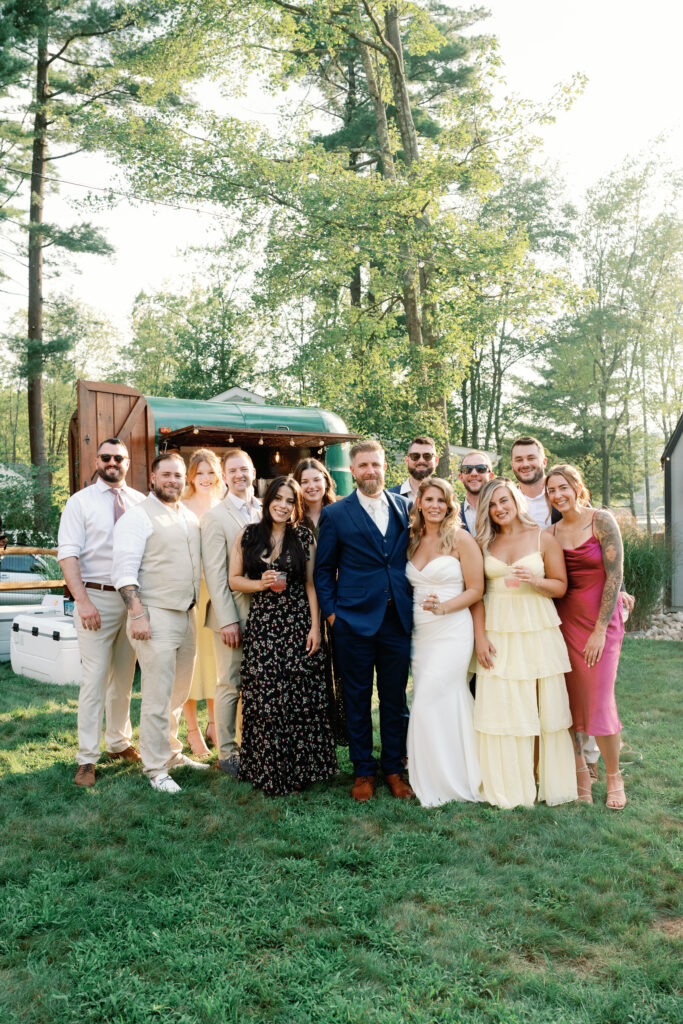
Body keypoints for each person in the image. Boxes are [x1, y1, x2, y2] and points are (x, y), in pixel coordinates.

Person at [315, 439, 414, 802]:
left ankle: (394, 768)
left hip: (397, 620)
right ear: (353, 471)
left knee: (394, 699)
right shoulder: (336, 514)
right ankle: (363, 770)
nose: (370, 471)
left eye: (376, 464)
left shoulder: (406, 507)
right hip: (353, 622)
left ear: (385, 467)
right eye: (363, 466)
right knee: (357, 699)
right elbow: (323, 570)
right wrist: (333, 615)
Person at [229, 475, 337, 795]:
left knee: (299, 699)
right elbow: (234, 580)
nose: (283, 505)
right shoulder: (248, 534)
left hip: (297, 624)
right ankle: (268, 768)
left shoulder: (303, 537)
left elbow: (310, 584)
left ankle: (300, 770)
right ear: (268, 499)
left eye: (291, 501)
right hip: (264, 626)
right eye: (278, 498)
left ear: (296, 506)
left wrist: (315, 627)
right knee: (266, 697)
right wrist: (259, 584)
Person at [472, 477, 577, 809]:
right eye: (491, 505)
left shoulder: (543, 538)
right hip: (497, 631)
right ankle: (508, 779)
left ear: (516, 500)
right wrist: (480, 638)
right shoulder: (483, 543)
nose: (499, 509)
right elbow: (476, 594)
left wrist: (536, 580)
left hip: (536, 628)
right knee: (502, 704)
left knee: (538, 705)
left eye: (503, 500)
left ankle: (536, 776)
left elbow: (560, 586)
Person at [112, 451, 208, 793]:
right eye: (166, 474)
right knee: (157, 694)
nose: (172, 480)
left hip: (187, 614)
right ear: (152, 478)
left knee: (178, 693)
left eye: (178, 475)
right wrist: (137, 614)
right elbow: (123, 571)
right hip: (154, 613)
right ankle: (155, 768)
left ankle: (171, 753)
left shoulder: (188, 517)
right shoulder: (137, 517)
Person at [58, 437, 146, 787]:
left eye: (118, 458)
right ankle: (86, 758)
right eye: (106, 457)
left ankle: (118, 742)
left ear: (127, 463)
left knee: (124, 678)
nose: (112, 462)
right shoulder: (80, 502)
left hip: (132, 600)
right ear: (96, 461)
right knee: (94, 679)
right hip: (96, 597)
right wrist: (83, 601)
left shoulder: (140, 503)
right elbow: (68, 554)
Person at [546, 464, 628, 809]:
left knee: (599, 699)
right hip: (564, 621)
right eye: (551, 491)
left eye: (563, 487)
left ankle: (613, 776)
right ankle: (581, 773)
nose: (558, 495)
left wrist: (599, 631)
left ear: (577, 487)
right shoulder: (550, 533)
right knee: (569, 700)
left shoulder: (601, 521)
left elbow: (615, 575)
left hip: (601, 622)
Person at [406, 478, 484, 806]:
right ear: (419, 503)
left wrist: (445, 607)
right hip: (420, 634)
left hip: (452, 629)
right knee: (434, 699)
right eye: (430, 499)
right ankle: (433, 771)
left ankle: (452, 779)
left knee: (430, 696)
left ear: (450, 505)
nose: (436, 505)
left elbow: (476, 589)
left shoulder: (462, 539)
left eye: (442, 500)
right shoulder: (411, 539)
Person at [200, 448, 261, 777]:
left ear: (253, 472)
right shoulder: (215, 517)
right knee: (230, 683)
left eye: (244, 469)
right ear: (224, 477)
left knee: (257, 683)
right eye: (233, 471)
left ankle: (253, 746)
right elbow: (214, 573)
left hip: (265, 614)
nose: (239, 475)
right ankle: (227, 754)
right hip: (232, 614)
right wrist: (228, 621)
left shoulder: (265, 510)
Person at [293, 458, 347, 745]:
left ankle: (343, 727)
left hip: (340, 598)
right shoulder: (292, 518)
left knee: (342, 664)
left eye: (317, 479)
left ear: (326, 481)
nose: (311, 486)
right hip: (305, 601)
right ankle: (317, 729)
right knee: (313, 664)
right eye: (305, 482)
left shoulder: (341, 511)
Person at [180, 449, 225, 759]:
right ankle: (192, 729)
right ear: (191, 477)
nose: (206, 478)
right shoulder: (180, 507)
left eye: (211, 472)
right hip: (190, 593)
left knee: (215, 663)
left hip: (218, 593)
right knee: (191, 663)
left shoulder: (224, 506)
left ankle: (214, 724)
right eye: (200, 473)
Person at [509, 436, 560, 530]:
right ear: (512, 465)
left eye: (531, 458)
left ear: (544, 462)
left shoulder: (564, 494)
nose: (525, 464)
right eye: (519, 460)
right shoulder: (508, 501)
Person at [388, 435, 437, 508]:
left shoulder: (445, 497)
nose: (421, 460)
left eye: (427, 456)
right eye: (415, 456)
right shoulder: (389, 497)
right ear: (406, 461)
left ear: (436, 461)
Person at [457, 451, 495, 535]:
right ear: (461, 477)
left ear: (491, 476)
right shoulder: (452, 517)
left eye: (481, 469)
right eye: (467, 469)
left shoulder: (501, 512)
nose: (474, 473)